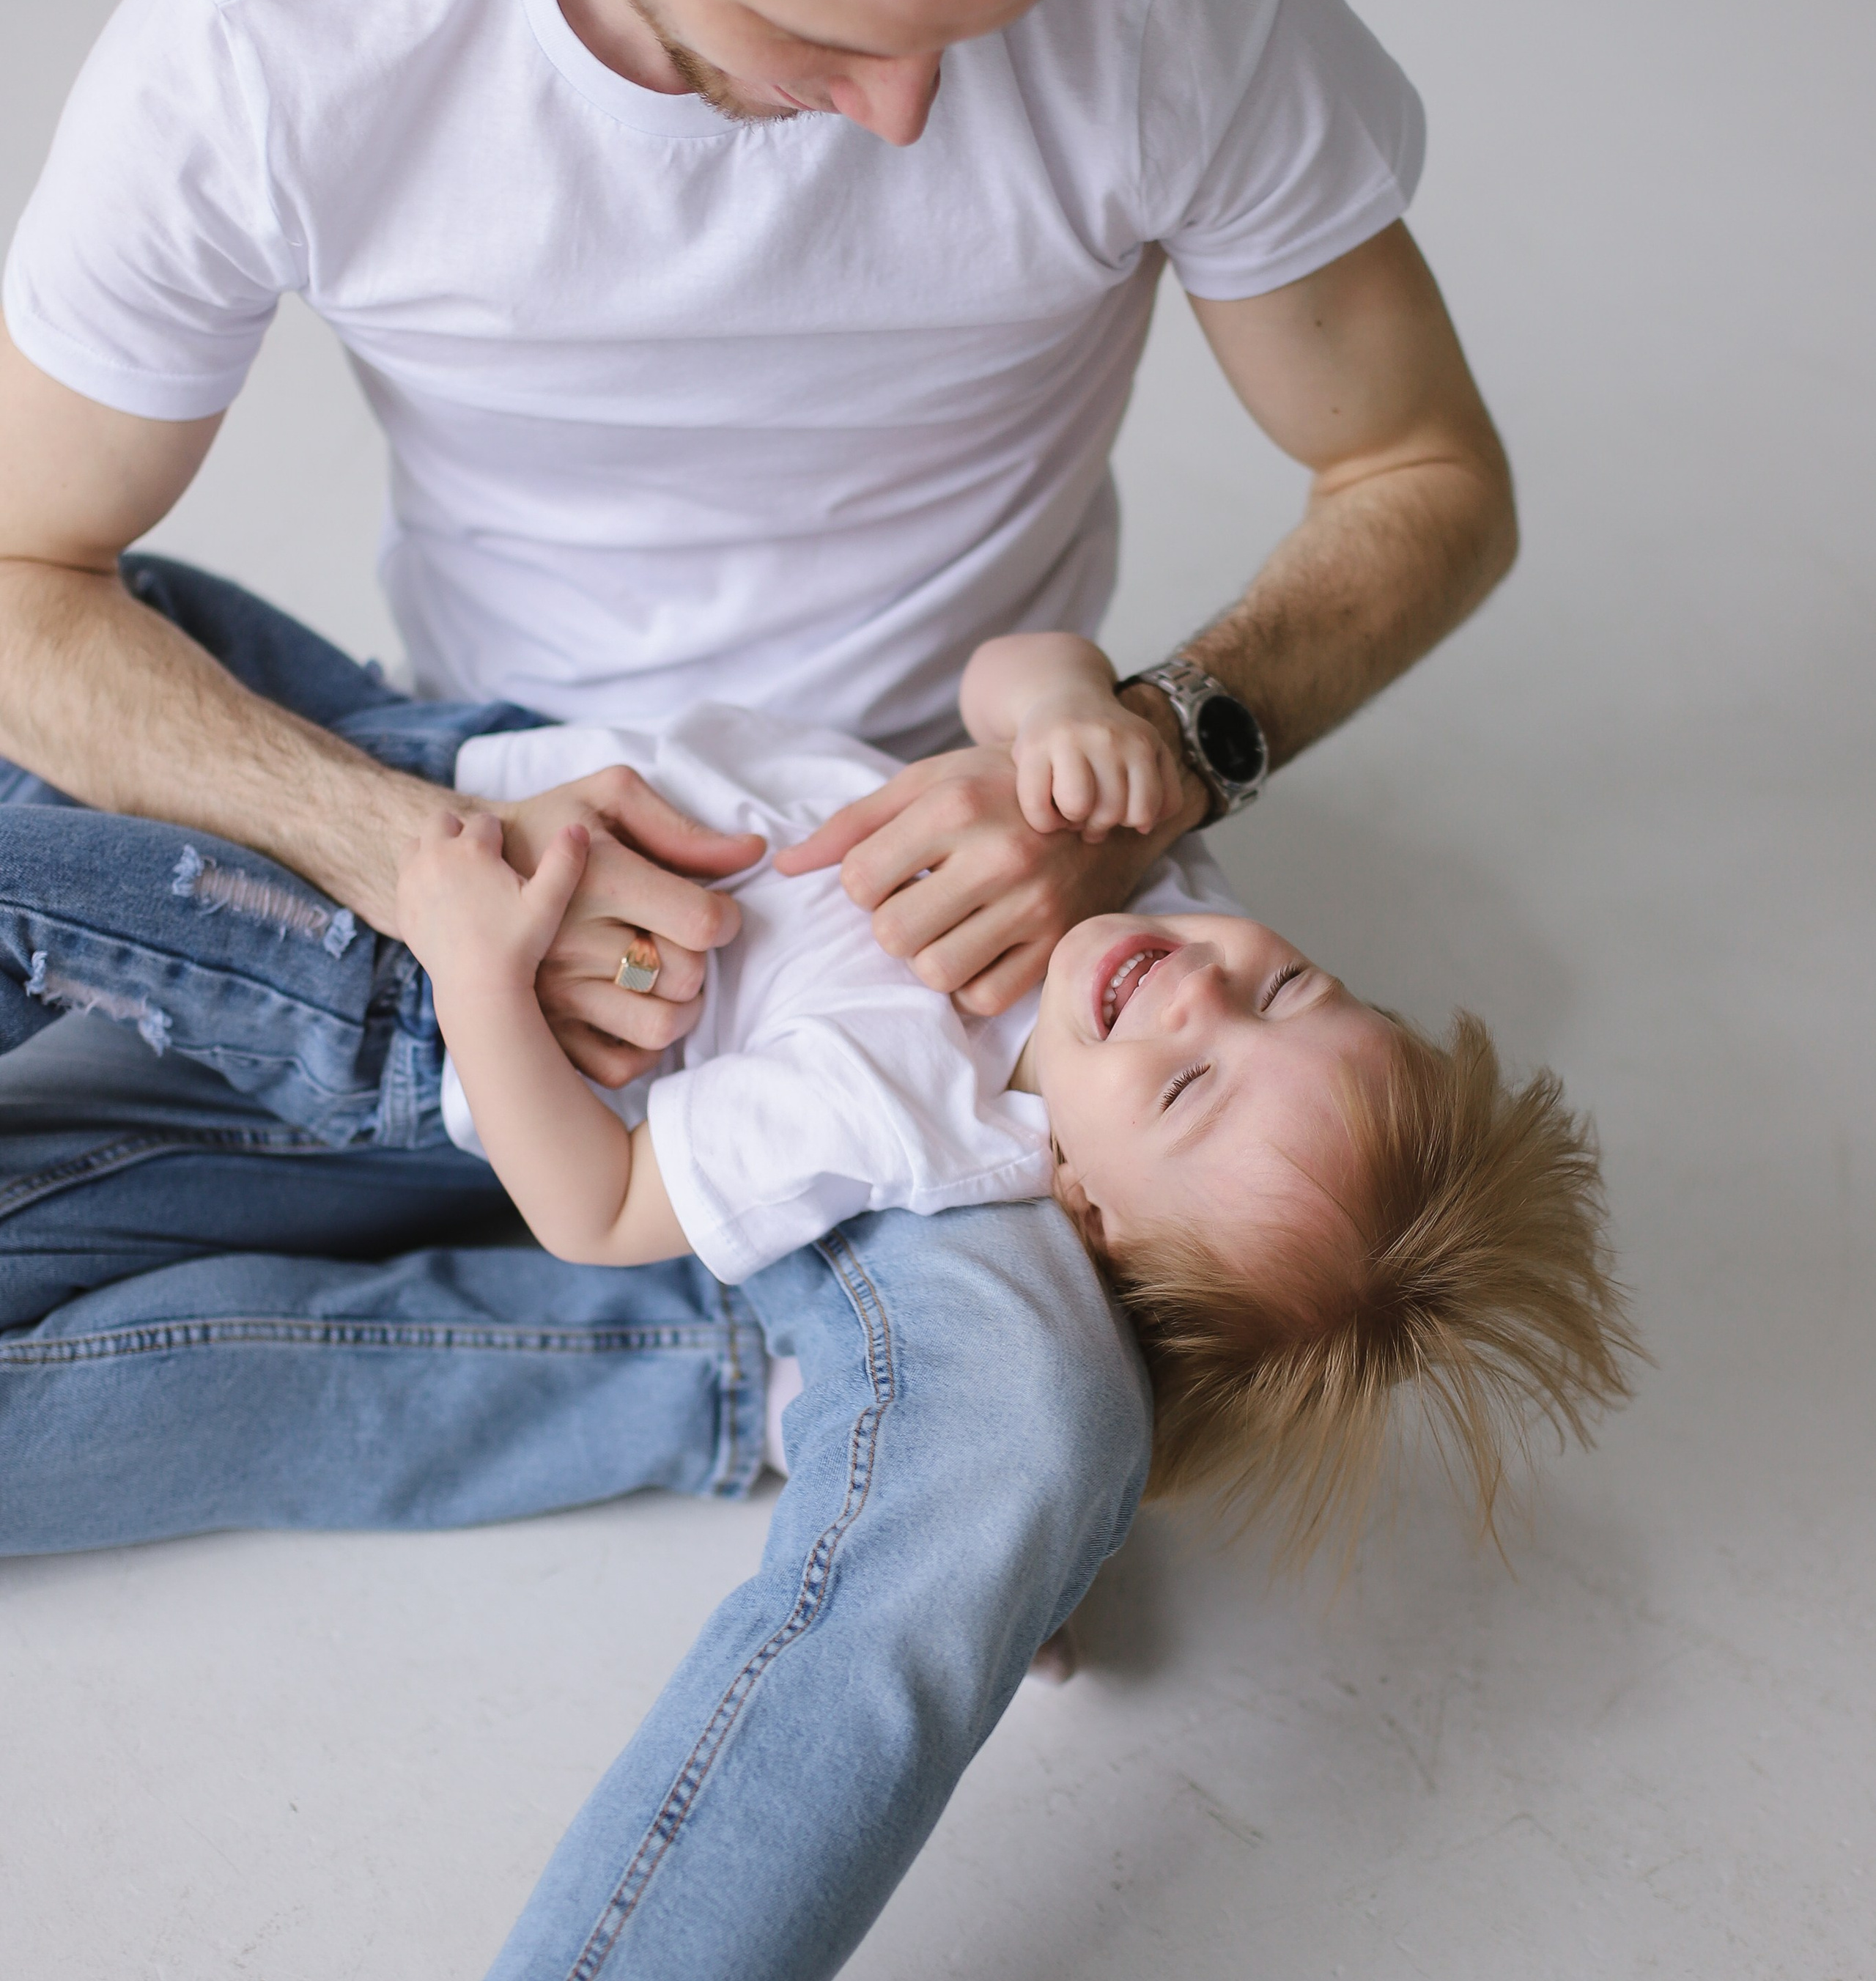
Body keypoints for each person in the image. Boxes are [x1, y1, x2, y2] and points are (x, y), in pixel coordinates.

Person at [0, 0, 1521, 1981]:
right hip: (472, 826)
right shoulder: (290, 25)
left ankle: (791, 1434)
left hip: (952, 961)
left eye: (983, 31)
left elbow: (1423, 482)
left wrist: (1158, 740)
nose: (915, 119)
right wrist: (419, 850)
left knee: (1019, 1415)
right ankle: (726, 1376)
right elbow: (22, 577)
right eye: (825, 36)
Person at [0, 612, 1633, 1559]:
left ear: (1084, 1199)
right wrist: (1067, 712)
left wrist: (476, 965)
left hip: (403, 975)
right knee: (89, 628)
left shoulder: (910, 1106)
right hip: (476, 750)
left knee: (28, 882)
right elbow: (1010, 667)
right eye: (1292, 989)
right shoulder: (1123, 901)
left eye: (1189, 1091)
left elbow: (599, 1204)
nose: (1198, 988)